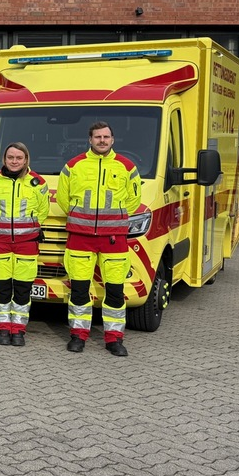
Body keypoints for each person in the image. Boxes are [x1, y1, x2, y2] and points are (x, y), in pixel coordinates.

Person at [57, 121, 141, 356]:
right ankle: (78, 335)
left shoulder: (127, 166)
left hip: (114, 239)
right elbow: (64, 199)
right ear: (90, 140)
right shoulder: (74, 166)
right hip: (80, 237)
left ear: (112, 140)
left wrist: (113, 219)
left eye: (106, 137)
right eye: (97, 137)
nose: (102, 140)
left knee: (115, 291)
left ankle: (114, 339)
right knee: (79, 291)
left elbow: (133, 200)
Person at [0, 142, 49, 347]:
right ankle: (3, 328)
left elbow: (43, 212)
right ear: (4, 159)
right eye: (11, 157)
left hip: (27, 243)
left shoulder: (38, 183)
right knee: (1, 289)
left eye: (19, 158)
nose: (14, 161)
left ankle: (18, 330)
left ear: (26, 159)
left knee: (22, 290)